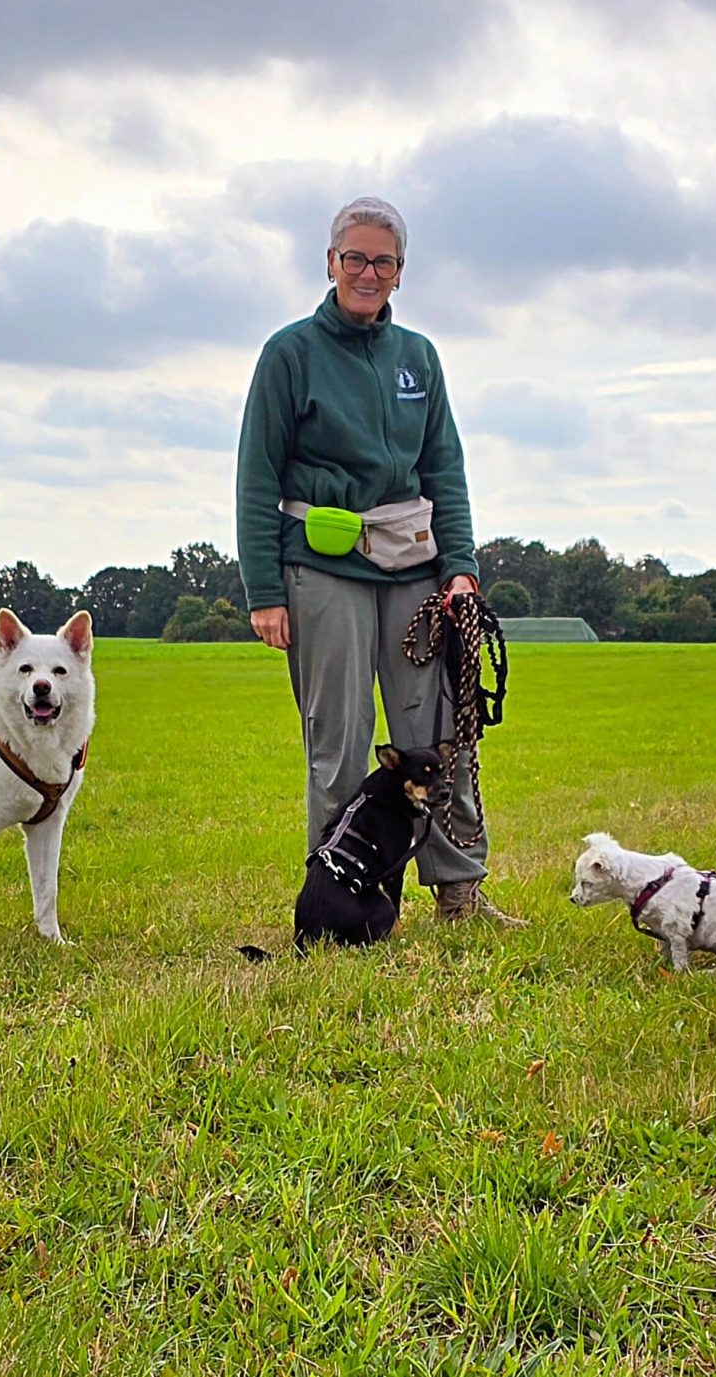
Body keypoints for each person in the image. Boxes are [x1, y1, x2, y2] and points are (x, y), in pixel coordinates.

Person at [236, 196, 523, 925]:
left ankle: (458, 889)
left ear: (400, 272)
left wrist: (459, 567)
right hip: (321, 569)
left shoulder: (419, 358)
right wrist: (265, 591)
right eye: (355, 258)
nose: (369, 272)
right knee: (339, 738)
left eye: (383, 261)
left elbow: (445, 469)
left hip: (414, 566)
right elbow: (257, 477)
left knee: (439, 733)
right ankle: (340, 896)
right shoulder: (288, 354)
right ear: (331, 262)